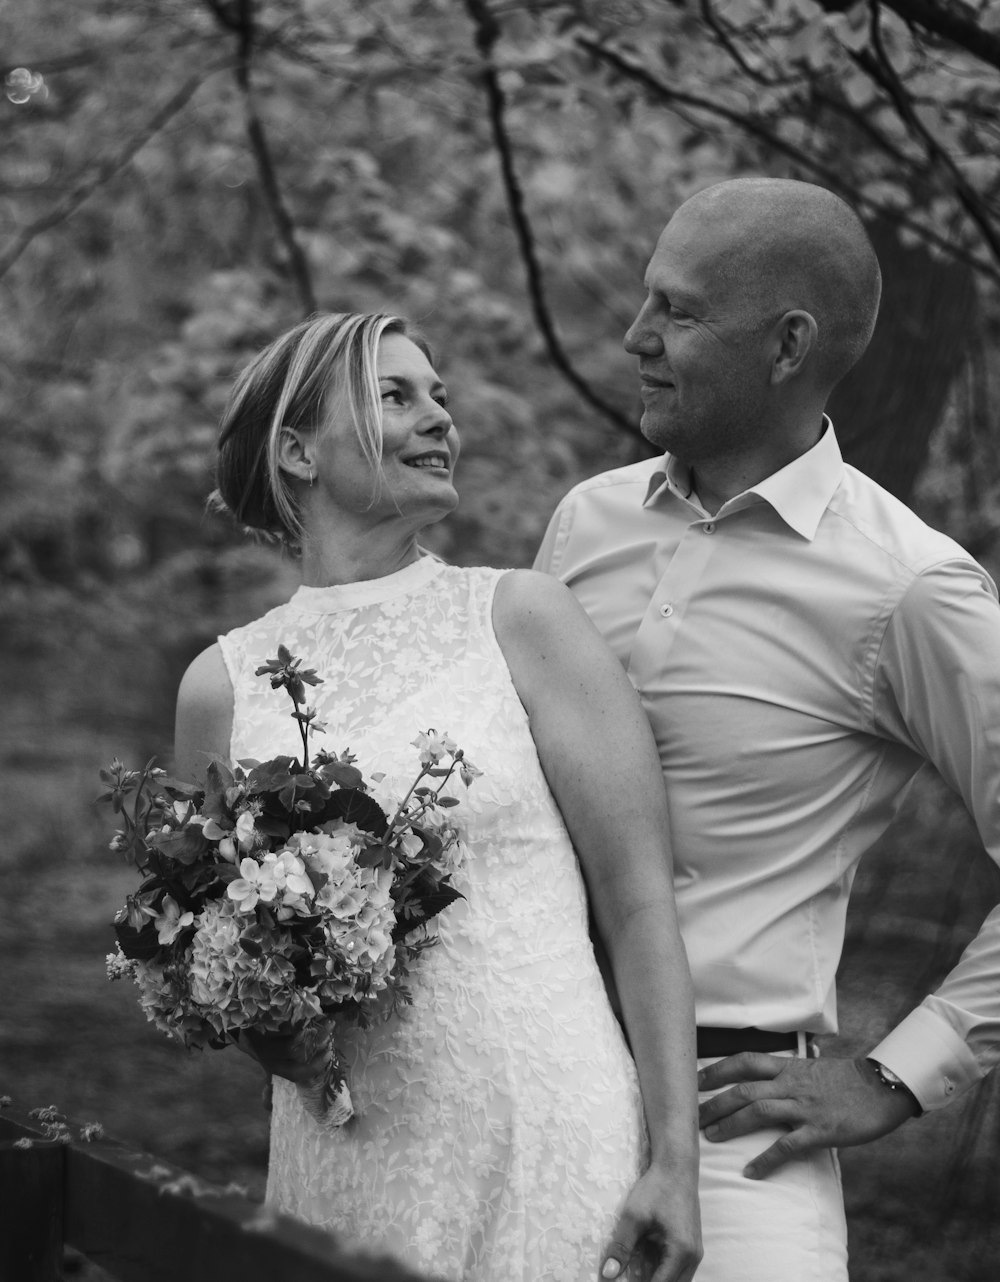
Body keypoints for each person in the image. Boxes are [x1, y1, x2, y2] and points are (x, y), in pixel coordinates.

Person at [534, 176, 1000, 1280]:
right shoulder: (583, 522)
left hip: (735, 1146)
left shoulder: (906, 588)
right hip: (523, 1089)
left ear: (787, 345)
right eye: (648, 300)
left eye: (678, 313)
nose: (635, 336)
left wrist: (896, 1075)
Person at [173, 311, 702, 1282]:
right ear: (296, 450)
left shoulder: (522, 617)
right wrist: (268, 1022)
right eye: (394, 395)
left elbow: (637, 900)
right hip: (343, 1138)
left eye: (441, 397)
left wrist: (677, 1157)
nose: (437, 419)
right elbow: (213, 954)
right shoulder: (223, 685)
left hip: (542, 1117)